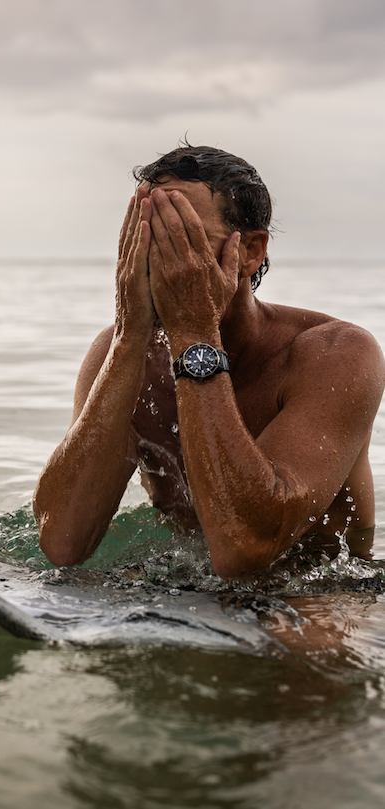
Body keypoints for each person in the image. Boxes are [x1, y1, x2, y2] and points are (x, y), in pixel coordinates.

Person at [33, 144, 385, 578]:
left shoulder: (335, 353)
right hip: (185, 584)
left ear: (250, 251)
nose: (159, 255)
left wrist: (195, 333)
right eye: (147, 233)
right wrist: (128, 337)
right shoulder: (122, 353)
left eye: (183, 235)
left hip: (317, 587)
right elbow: (63, 543)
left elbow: (245, 548)